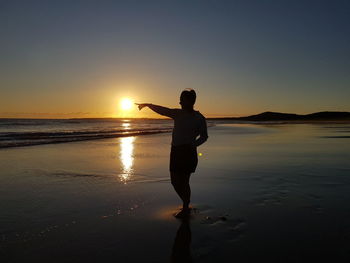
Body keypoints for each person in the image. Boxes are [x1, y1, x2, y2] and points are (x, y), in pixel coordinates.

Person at [136, 89, 208, 218]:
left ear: (191, 101)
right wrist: (148, 104)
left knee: (185, 182)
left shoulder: (199, 118)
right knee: (175, 182)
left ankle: (186, 207)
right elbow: (162, 110)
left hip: (189, 152)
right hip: (175, 152)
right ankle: (186, 203)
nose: (179, 101)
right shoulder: (177, 114)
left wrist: (194, 145)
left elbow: (204, 136)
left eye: (182, 99)